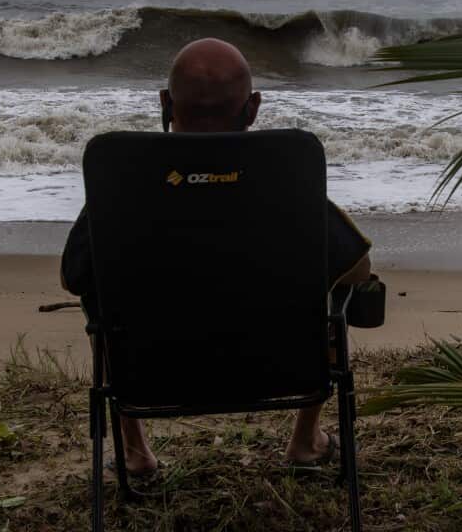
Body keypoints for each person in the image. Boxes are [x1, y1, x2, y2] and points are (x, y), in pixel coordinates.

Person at [60, 37, 373, 476]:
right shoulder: (286, 181)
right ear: (254, 108)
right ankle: (305, 440)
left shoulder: (123, 185)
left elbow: (74, 277)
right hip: (279, 371)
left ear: (166, 103)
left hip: (152, 376)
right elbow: (358, 267)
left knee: (100, 297)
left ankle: (136, 452)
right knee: (337, 287)